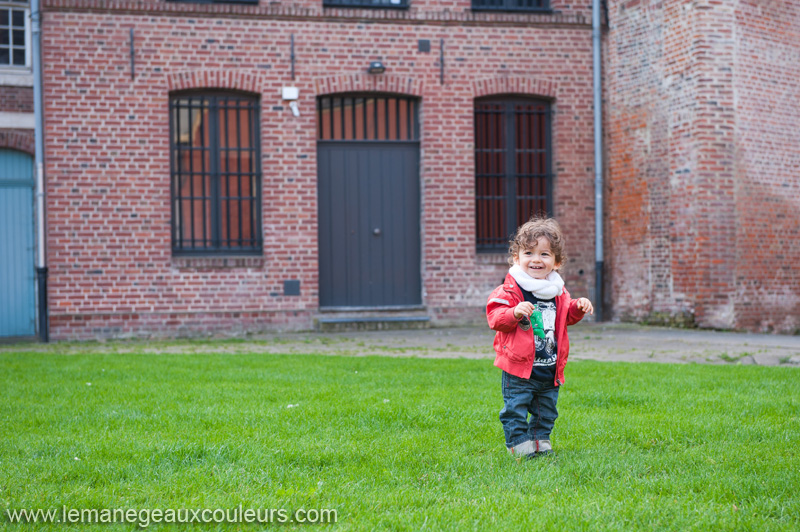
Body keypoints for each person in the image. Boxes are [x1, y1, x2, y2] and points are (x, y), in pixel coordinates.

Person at [486, 217, 594, 459]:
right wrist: (513, 312)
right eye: (528, 253)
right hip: (519, 369)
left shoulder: (557, 291)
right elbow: (495, 318)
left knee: (546, 410)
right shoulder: (510, 291)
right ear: (516, 258)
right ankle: (520, 448)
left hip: (549, 366)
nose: (536, 259)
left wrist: (578, 307)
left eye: (544, 254)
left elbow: (565, 318)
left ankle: (540, 443)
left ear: (556, 262)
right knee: (516, 409)